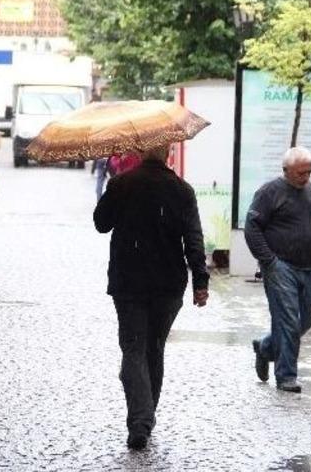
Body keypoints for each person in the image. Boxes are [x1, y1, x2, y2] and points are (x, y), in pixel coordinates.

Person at [93, 146, 209, 450]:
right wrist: (201, 281)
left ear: (142, 152)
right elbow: (194, 239)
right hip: (168, 284)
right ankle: (145, 418)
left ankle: (141, 421)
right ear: (168, 152)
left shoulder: (122, 183)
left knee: (134, 349)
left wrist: (112, 186)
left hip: (129, 281)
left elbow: (101, 223)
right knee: (153, 349)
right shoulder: (182, 190)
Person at [245, 146, 311, 393]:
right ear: (286, 171)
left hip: (308, 268)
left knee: (306, 318)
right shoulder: (270, 192)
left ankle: (265, 348)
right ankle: (286, 376)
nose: (306, 177)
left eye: (309, 172)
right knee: (287, 320)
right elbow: (252, 227)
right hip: (280, 266)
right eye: (300, 173)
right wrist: (268, 261)